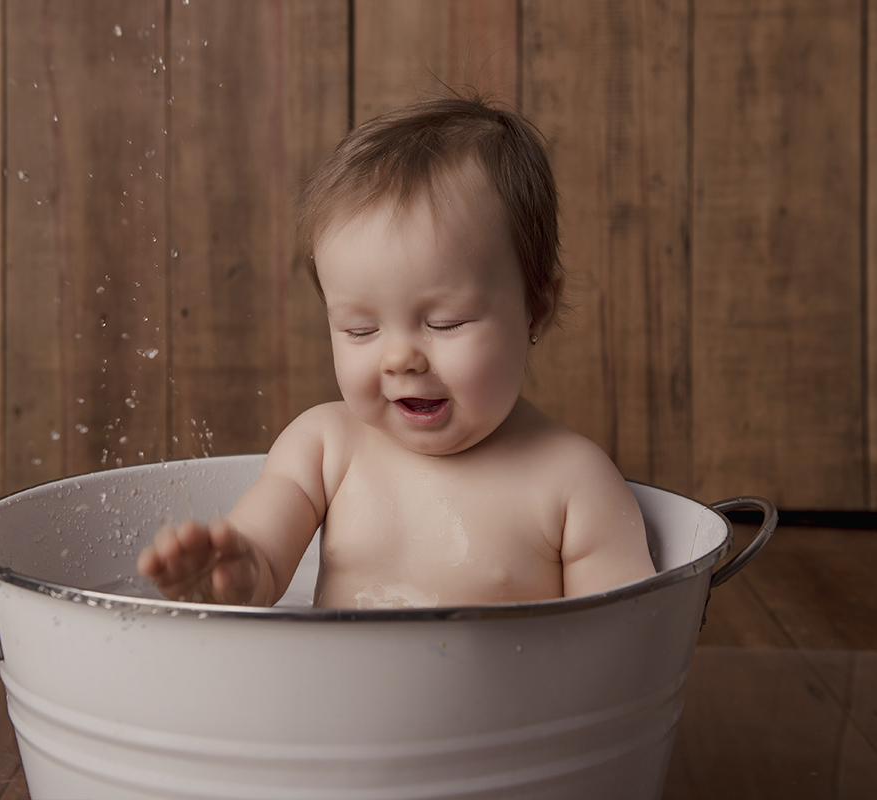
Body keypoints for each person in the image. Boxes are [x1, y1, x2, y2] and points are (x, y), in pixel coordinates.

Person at [137, 94, 655, 608]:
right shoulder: (323, 449)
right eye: (360, 330)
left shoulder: (574, 482)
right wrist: (232, 576)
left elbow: (620, 641)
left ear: (536, 308)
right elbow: (263, 561)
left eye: (444, 323)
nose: (399, 358)